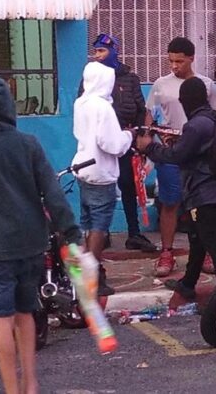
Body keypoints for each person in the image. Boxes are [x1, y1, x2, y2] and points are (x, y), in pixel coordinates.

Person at [0, 76, 83, 394]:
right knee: (26, 315)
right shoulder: (29, 144)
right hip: (32, 245)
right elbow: (53, 194)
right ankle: (30, 384)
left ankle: (11, 389)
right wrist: (71, 233)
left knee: (2, 321)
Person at [137, 77, 216, 301]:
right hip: (211, 187)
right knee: (197, 238)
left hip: (203, 190)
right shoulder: (211, 118)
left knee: (213, 242)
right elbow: (193, 150)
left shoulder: (196, 124)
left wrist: (149, 147)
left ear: (187, 100)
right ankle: (188, 283)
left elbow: (177, 156)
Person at [145, 37, 216, 277]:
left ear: (191, 58)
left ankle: (208, 250)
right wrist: (150, 143)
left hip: (200, 156)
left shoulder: (207, 85)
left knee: (204, 206)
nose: (174, 66)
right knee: (170, 203)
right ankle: (167, 252)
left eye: (179, 61)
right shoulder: (160, 84)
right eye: (170, 61)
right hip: (171, 153)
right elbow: (150, 115)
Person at [80, 33, 156, 253]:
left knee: (128, 186)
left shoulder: (129, 78)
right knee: (100, 193)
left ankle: (134, 233)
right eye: (95, 51)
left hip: (126, 143)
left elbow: (141, 109)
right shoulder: (91, 79)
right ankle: (99, 236)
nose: (98, 56)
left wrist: (140, 136)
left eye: (102, 51)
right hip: (99, 147)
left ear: (114, 51)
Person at [73, 62, 135, 296]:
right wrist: (129, 135)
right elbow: (112, 144)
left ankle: (87, 272)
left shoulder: (81, 103)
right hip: (101, 172)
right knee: (99, 225)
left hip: (82, 167)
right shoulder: (103, 108)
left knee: (88, 223)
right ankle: (92, 276)